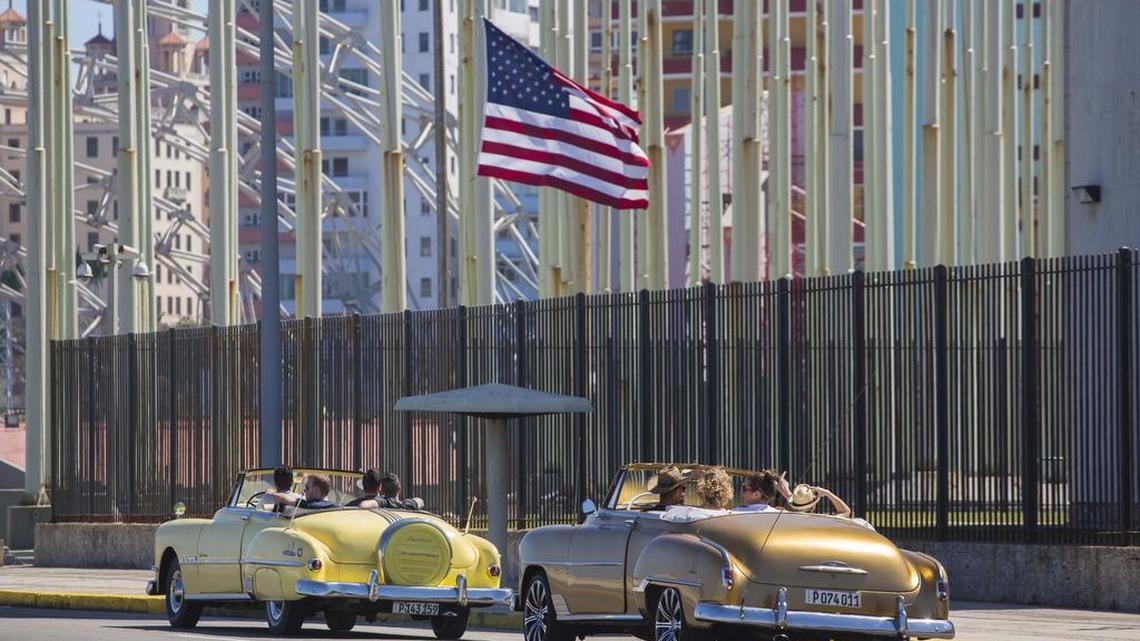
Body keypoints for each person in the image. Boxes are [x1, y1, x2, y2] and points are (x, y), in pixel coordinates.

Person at [267, 473, 338, 511]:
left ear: (316, 490)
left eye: (307, 488)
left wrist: (273, 494)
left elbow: (284, 499)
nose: (304, 491)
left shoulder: (310, 506)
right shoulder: (337, 507)